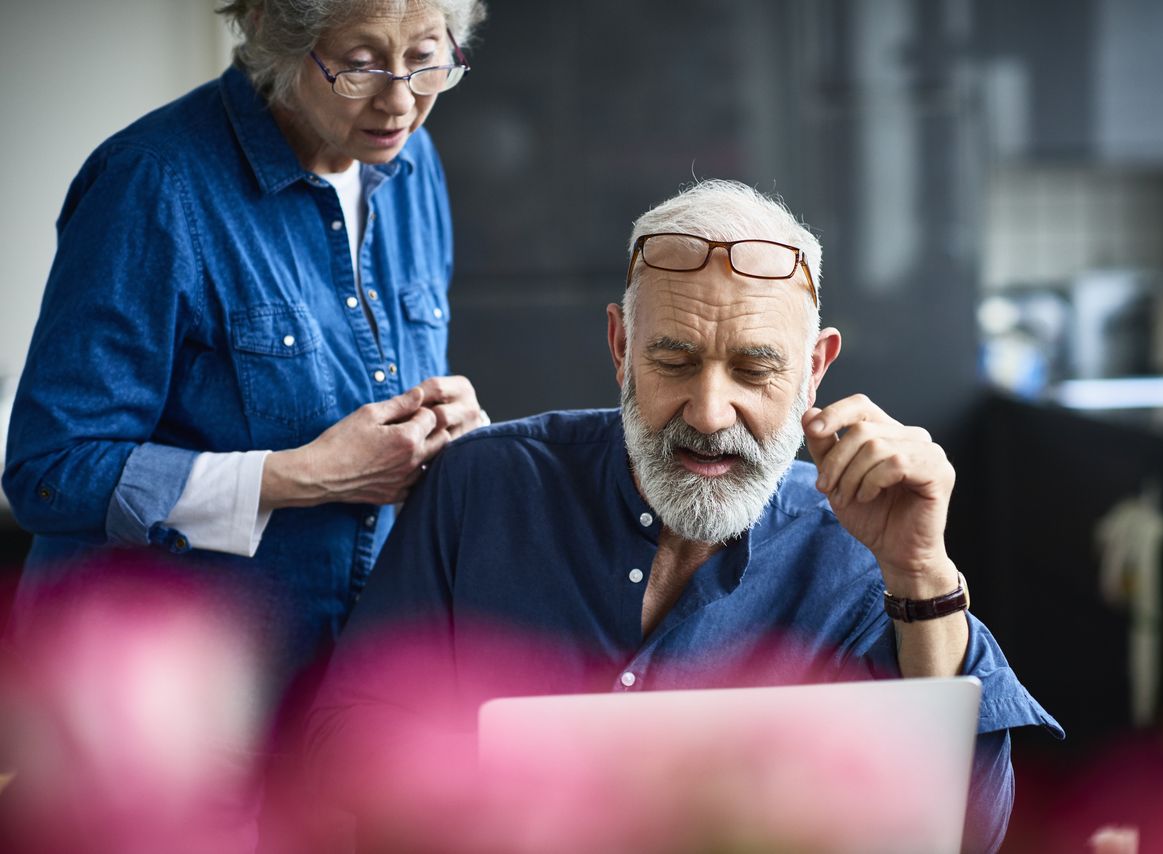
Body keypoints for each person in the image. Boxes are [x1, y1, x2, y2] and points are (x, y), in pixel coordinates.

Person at [306, 179, 1062, 853]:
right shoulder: (481, 487)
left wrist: (920, 571)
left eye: (754, 369)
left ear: (814, 371)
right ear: (620, 347)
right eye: (672, 361)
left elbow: (968, 830)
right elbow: (345, 746)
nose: (708, 411)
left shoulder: (861, 544)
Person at [1, 0, 489, 702]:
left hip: (344, 681)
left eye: (426, 61)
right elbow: (50, 471)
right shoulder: (153, 183)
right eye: (359, 65)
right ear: (272, 32)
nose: (400, 101)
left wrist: (451, 434)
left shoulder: (413, 164)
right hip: (167, 701)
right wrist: (296, 477)